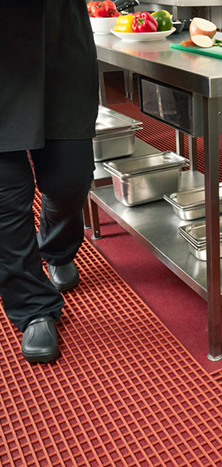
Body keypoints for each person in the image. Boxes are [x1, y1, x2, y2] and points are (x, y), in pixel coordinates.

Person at [0, 1, 99, 363]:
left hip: (59, 40)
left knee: (71, 178)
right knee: (6, 198)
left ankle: (56, 249)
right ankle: (32, 309)